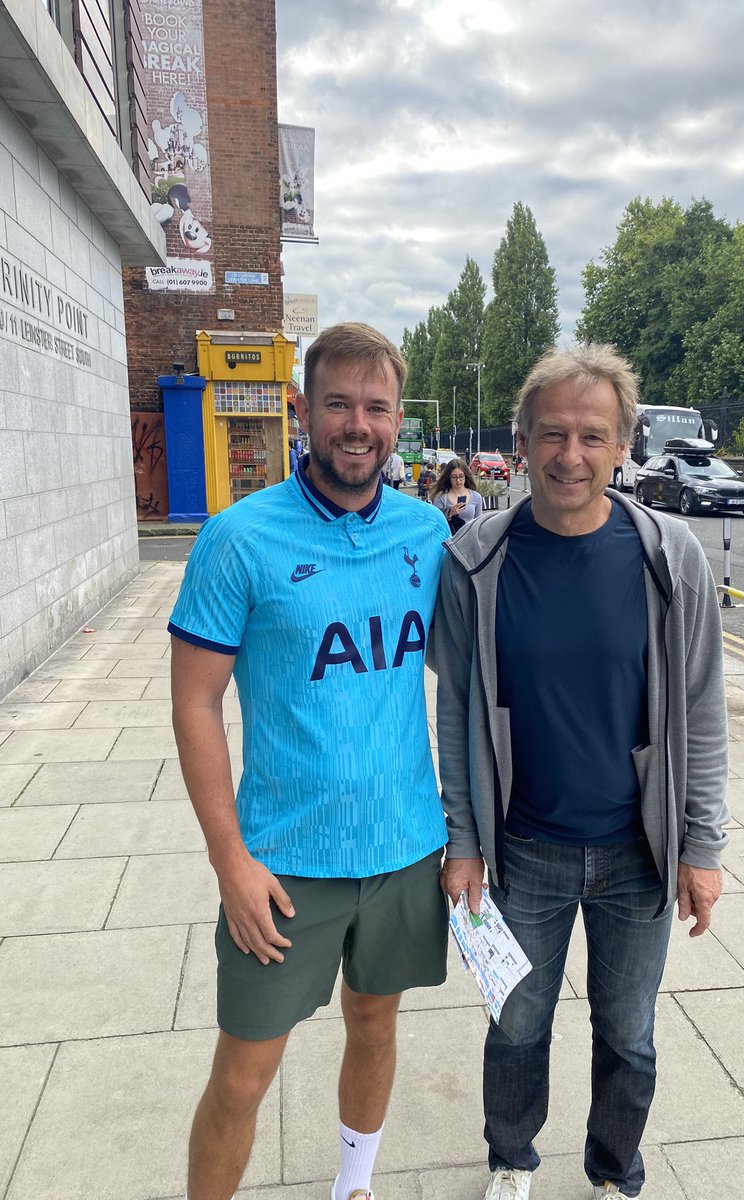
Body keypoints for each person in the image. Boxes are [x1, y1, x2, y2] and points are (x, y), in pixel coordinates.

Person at [434, 344, 729, 1200]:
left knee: (628, 1034)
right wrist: (463, 839)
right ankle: (512, 1160)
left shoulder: (668, 558)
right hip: (522, 850)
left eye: (593, 435)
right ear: (520, 442)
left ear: (623, 442)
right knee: (516, 1025)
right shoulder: (476, 561)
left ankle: (613, 1170)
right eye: (552, 433)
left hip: (637, 853)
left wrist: (701, 845)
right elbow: (455, 711)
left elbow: (703, 713)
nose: (571, 454)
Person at [169, 323, 450, 1200]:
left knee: (375, 1023)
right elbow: (194, 703)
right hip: (283, 864)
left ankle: (353, 1186)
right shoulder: (237, 539)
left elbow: (482, 676)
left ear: (398, 419)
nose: (356, 424)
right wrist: (230, 862)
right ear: (302, 411)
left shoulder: (428, 532)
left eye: (375, 407)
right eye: (338, 404)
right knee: (245, 1075)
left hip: (407, 847)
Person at [429, 458, 484, 531]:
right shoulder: (441, 497)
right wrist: (450, 513)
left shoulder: (476, 497)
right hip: (449, 539)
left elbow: (478, 524)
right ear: (449, 478)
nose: (458, 480)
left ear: (466, 476)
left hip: (469, 539)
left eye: (461, 476)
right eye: (454, 477)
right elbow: (435, 522)